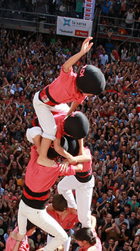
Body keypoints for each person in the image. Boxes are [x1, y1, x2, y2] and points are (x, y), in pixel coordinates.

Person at [31, 37, 105, 166]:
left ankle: (80, 148)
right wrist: (81, 53)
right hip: (41, 103)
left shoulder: (81, 94)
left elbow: (75, 104)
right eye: (90, 93)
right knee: (51, 130)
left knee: (73, 116)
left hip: (56, 104)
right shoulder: (68, 78)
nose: (90, 96)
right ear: (85, 87)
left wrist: (68, 114)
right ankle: (42, 156)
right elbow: (66, 65)